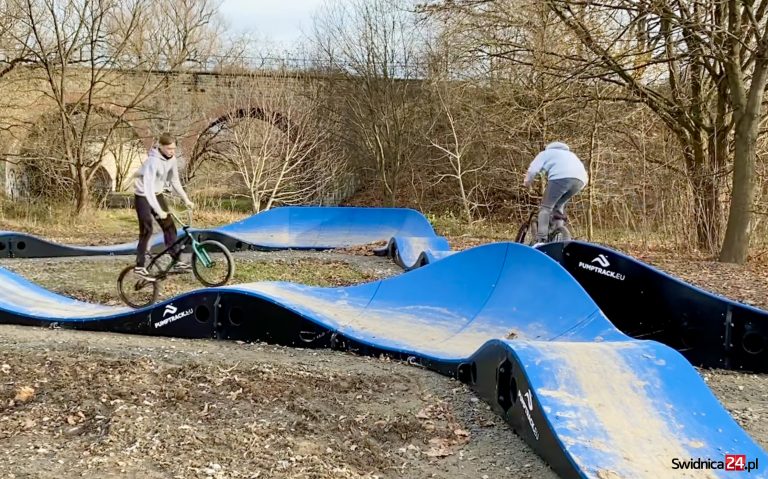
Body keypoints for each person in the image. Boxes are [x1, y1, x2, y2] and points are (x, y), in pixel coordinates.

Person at [133, 133, 195, 279]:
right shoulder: (152, 162)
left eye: (173, 149)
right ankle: (139, 266)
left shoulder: (172, 159)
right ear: (161, 146)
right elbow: (148, 189)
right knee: (147, 229)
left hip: (157, 194)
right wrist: (159, 210)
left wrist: (185, 199)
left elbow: (175, 181)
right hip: (143, 196)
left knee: (169, 227)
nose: (171, 152)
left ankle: (177, 260)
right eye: (168, 149)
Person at [523, 142, 588, 245]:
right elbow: (543, 172)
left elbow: (533, 170)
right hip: (580, 181)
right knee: (558, 205)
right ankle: (558, 231)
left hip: (560, 178)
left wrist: (527, 182)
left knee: (546, 208)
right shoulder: (571, 155)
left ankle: (541, 240)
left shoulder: (546, 153)